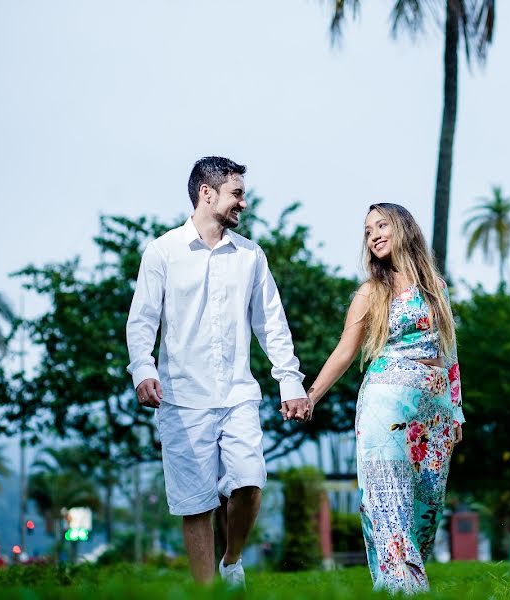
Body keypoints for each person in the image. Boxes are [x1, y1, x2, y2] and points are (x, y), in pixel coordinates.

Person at [126, 156, 311, 588]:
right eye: (237, 193)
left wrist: (290, 381)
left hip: (237, 395)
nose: (243, 203)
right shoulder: (162, 252)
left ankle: (232, 561)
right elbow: (142, 321)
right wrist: (142, 370)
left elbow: (272, 323)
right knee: (196, 506)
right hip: (181, 399)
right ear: (206, 194)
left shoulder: (250, 256)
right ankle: (207, 593)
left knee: (249, 482)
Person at [305, 203, 464, 593]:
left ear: (403, 228)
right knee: (388, 498)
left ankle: (401, 582)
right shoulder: (370, 293)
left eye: (381, 225)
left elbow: (450, 353)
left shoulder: (436, 287)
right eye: (368, 230)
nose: (374, 234)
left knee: (426, 507)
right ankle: (404, 588)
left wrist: (456, 412)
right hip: (385, 404)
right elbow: (345, 352)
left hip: (435, 410)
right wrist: (310, 396)